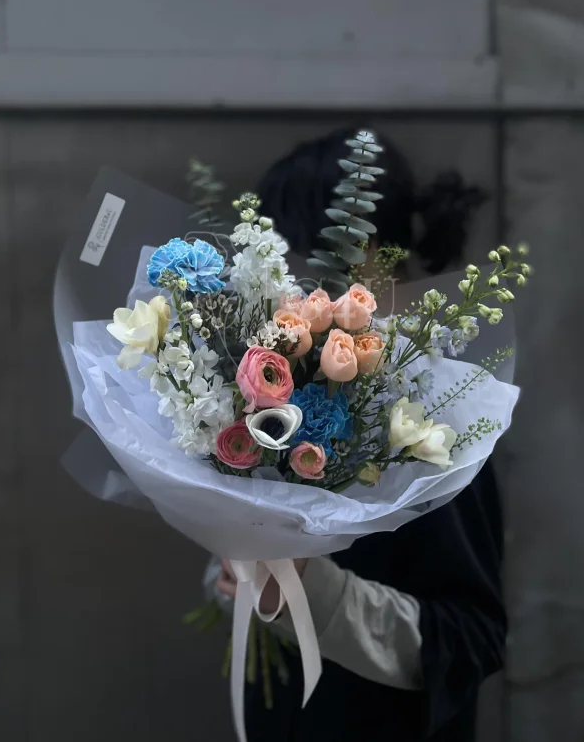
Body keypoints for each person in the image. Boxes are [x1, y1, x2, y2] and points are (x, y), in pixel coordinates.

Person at [214, 128, 505, 742]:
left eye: (299, 256)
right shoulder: (291, 384)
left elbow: (470, 638)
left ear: (365, 251)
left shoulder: (433, 413)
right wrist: (235, 569)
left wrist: (313, 592)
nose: (288, 283)